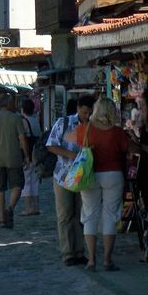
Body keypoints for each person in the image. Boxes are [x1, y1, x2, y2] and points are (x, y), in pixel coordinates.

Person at [65, 96, 130, 272]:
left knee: (89, 215)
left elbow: (67, 138)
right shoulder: (118, 132)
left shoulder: (84, 129)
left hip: (90, 175)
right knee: (110, 215)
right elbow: (129, 148)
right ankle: (107, 260)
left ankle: (92, 260)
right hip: (113, 175)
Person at [47, 93, 95, 266]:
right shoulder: (64, 123)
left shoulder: (94, 125)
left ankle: (79, 251)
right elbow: (51, 145)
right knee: (65, 214)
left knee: (81, 214)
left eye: (90, 113)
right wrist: (70, 154)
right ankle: (67, 253)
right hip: (64, 175)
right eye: (84, 112)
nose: (87, 116)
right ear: (78, 109)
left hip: (85, 177)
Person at [0, 93, 29, 229]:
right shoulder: (16, 118)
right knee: (17, 185)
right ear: (9, 104)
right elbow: (22, 138)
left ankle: (2, 218)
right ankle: (10, 208)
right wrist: (27, 156)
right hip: (14, 157)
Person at [20, 99, 42, 216]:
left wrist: (25, 156)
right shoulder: (35, 120)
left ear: (23, 109)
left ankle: (28, 208)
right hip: (37, 154)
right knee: (35, 181)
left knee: (26, 182)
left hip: (28, 154)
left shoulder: (24, 121)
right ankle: (36, 207)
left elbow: (23, 139)